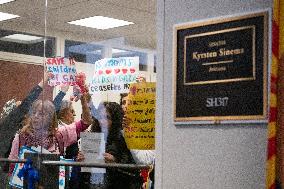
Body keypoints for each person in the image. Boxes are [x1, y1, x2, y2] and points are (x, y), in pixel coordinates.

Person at [77, 101, 143, 189]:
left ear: (116, 120)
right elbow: (86, 174)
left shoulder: (125, 138)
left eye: (107, 117)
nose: (102, 121)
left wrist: (115, 163)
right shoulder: (92, 137)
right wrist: (81, 160)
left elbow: (134, 167)